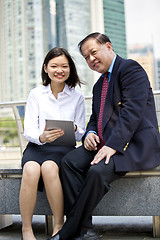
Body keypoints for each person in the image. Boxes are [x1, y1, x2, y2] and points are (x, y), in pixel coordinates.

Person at [47, 32, 160, 240]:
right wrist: (90, 133)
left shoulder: (130, 69)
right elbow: (95, 118)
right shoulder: (100, 84)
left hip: (133, 145)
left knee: (97, 171)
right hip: (104, 143)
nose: (91, 59)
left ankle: (69, 231)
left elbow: (131, 113)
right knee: (69, 161)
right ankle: (85, 230)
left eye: (93, 52)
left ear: (108, 46)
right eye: (86, 57)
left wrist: (113, 145)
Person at [19, 47, 86, 240]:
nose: (60, 70)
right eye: (54, 66)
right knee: (31, 169)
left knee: (49, 168)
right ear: (46, 68)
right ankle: (26, 229)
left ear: (70, 69)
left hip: (63, 148)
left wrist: (73, 129)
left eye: (64, 66)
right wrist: (41, 138)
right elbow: (29, 130)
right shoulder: (36, 94)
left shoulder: (77, 97)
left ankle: (59, 225)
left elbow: (81, 132)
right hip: (38, 146)